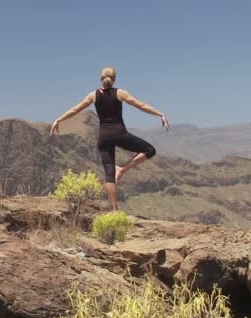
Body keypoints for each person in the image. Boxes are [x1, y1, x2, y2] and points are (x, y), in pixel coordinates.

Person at [50, 66, 171, 211]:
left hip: (104, 137)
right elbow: (141, 105)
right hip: (120, 134)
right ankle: (122, 169)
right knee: (149, 150)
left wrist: (59, 119)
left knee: (109, 174)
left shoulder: (93, 95)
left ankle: (114, 211)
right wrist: (160, 114)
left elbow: (75, 109)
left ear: (101, 78)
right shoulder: (120, 93)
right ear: (114, 79)